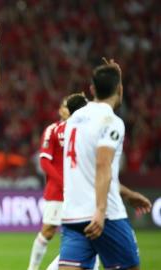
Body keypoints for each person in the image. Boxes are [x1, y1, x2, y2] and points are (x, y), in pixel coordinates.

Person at [59, 59, 152, 270]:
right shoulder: (111, 122)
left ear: (92, 89)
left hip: (73, 216)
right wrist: (100, 211)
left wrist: (127, 194)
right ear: (120, 88)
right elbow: (102, 166)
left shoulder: (74, 119)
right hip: (105, 215)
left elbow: (88, 170)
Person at [28, 93, 89, 270]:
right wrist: (63, 182)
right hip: (57, 190)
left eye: (64, 106)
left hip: (78, 191)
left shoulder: (83, 130)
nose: (61, 109)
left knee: (82, 233)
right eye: (62, 105)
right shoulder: (52, 130)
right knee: (48, 230)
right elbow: (45, 161)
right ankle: (32, 268)